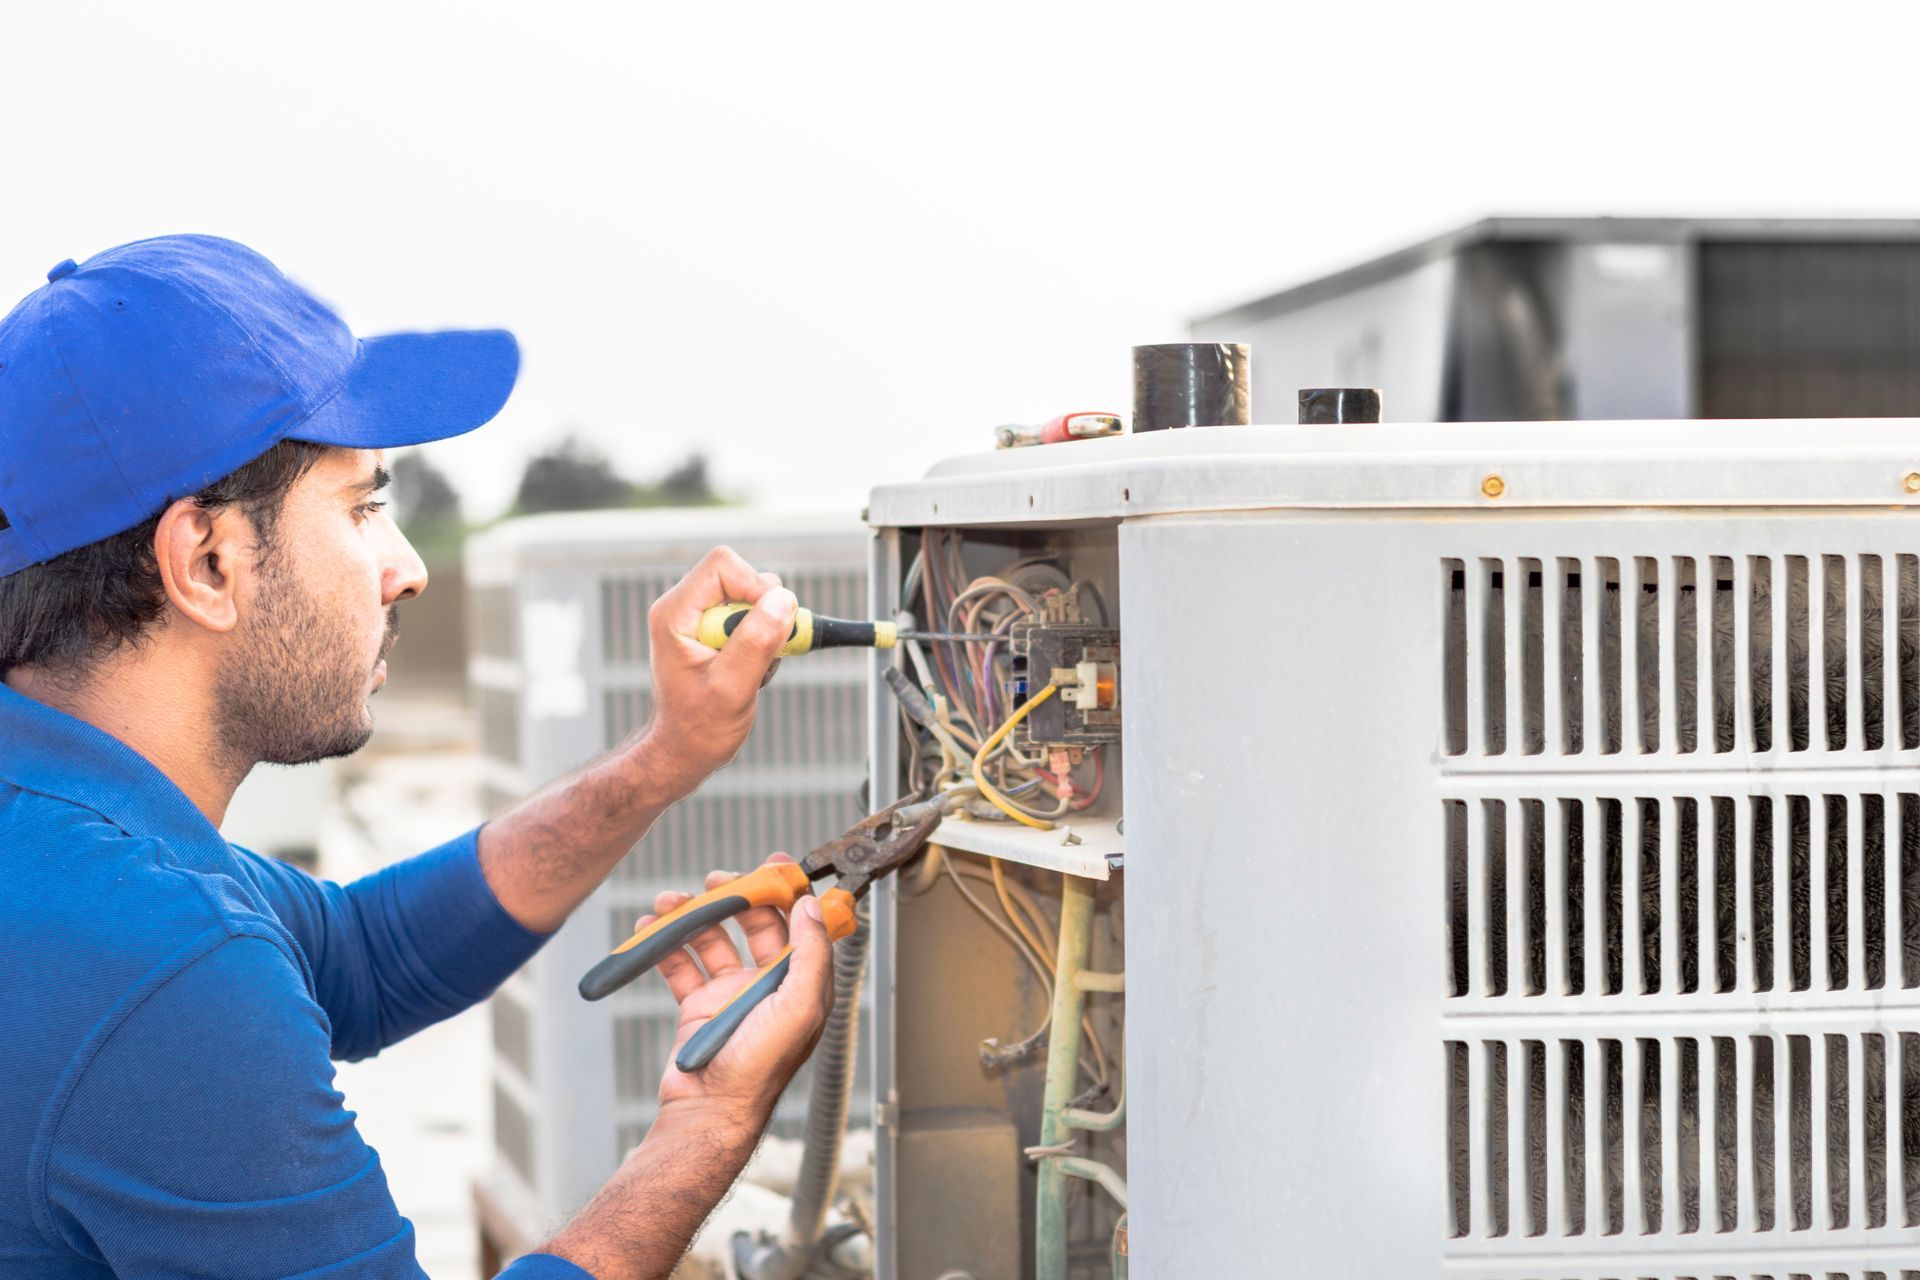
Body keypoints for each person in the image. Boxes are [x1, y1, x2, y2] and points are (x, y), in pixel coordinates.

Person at [0, 236, 833, 1280]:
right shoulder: (150, 953)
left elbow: (362, 952)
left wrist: (664, 755)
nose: (406, 568)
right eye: (360, 506)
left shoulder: (60, 824)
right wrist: (712, 1117)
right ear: (206, 560)